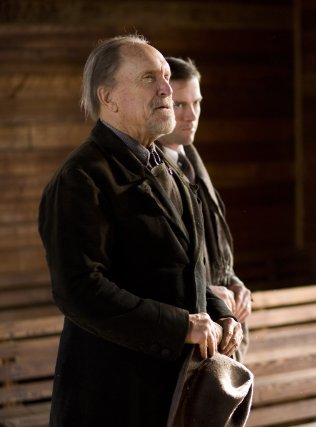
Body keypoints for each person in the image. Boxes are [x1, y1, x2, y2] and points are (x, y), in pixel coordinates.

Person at [38, 34, 243, 427]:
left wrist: (222, 314)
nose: (167, 89)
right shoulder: (81, 178)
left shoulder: (170, 171)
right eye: (149, 78)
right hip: (111, 399)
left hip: (170, 395)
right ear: (108, 98)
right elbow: (79, 291)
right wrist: (181, 326)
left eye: (165, 77)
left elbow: (187, 269)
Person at [158, 56, 252, 361]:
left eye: (196, 103)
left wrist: (234, 283)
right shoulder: (151, 169)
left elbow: (213, 248)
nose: (192, 115)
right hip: (188, 335)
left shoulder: (192, 162)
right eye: (179, 105)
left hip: (222, 326)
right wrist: (208, 294)